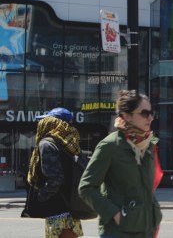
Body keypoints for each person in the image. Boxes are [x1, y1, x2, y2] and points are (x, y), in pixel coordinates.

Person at [79, 90, 163, 238]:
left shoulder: (149, 145)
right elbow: (86, 187)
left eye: (151, 113)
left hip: (146, 231)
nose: (150, 117)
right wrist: (115, 214)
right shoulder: (109, 146)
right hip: (117, 233)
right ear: (127, 116)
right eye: (144, 113)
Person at [23, 107, 83, 238]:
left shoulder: (48, 144)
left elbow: (55, 179)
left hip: (57, 211)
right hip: (71, 209)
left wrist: (41, 196)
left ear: (53, 123)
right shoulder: (70, 144)